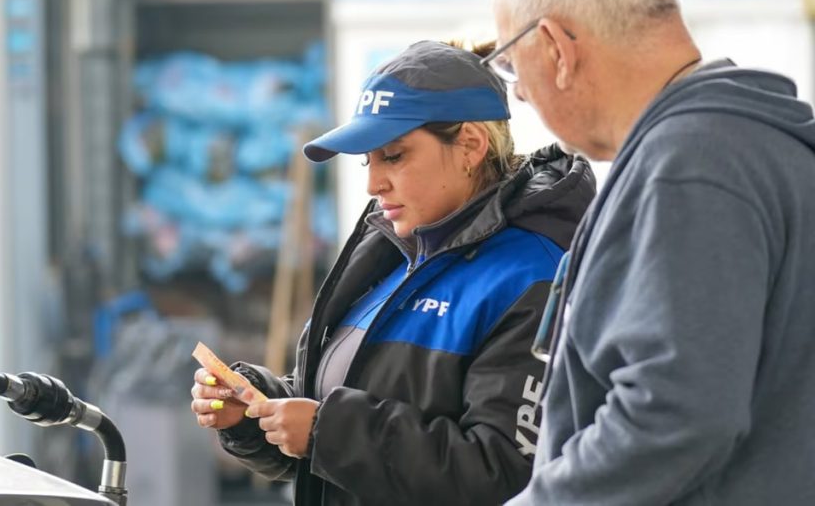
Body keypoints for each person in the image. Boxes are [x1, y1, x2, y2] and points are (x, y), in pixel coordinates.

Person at [189, 40, 595, 505]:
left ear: (470, 145)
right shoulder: (387, 257)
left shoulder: (531, 275)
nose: (372, 183)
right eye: (368, 160)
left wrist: (327, 431)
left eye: (394, 156)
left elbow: (505, 473)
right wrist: (258, 409)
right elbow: (323, 434)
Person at [486, 0, 815, 504]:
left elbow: (677, 411)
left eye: (513, 67)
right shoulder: (755, 147)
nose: (521, 95)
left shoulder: (689, 168)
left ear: (557, 49)